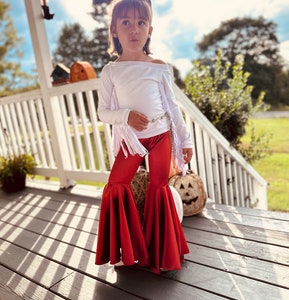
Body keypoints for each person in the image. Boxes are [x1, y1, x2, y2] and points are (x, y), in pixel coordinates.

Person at [95, 0, 193, 274]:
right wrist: (126, 115)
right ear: (114, 29)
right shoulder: (111, 71)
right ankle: (125, 250)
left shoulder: (159, 67)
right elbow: (103, 112)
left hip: (161, 135)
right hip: (132, 138)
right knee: (116, 184)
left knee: (158, 189)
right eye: (126, 22)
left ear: (150, 28)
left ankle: (160, 256)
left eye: (141, 22)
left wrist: (185, 141)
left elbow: (172, 107)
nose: (134, 29)